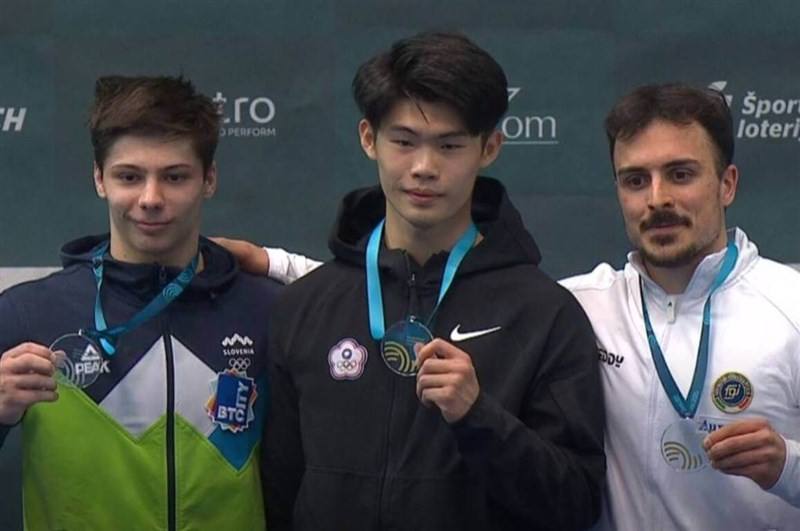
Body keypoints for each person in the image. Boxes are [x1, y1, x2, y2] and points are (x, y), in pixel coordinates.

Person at [258, 32, 605, 531]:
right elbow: (278, 495)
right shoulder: (304, 306)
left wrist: (478, 416)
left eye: (449, 145)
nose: (424, 167)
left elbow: (576, 503)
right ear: (368, 139)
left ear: (489, 148)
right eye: (403, 142)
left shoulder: (545, 315)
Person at [0, 75, 281, 530]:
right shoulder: (29, 314)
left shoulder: (268, 311)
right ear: (99, 178)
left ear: (209, 179)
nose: (151, 199)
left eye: (174, 177)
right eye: (129, 177)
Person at [561, 84, 800, 530]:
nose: (657, 199)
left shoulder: (792, 305)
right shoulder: (575, 309)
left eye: (680, 174)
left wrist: (788, 466)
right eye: (636, 181)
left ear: (727, 184)